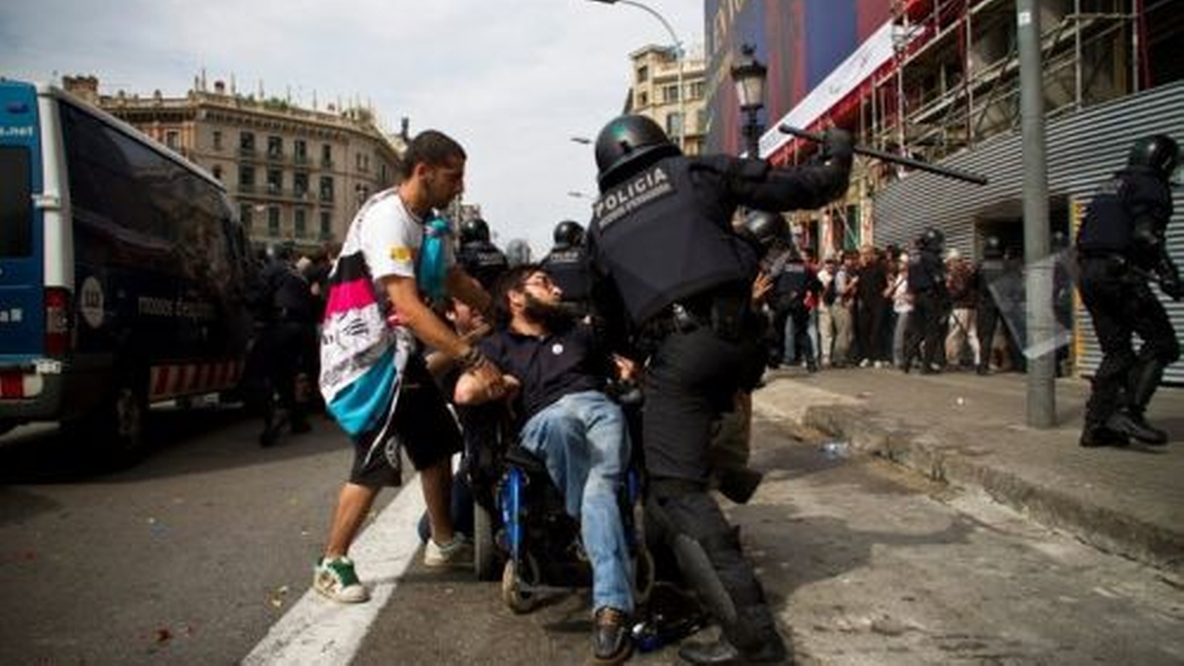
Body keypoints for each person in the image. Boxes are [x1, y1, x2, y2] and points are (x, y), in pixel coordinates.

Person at [586, 113, 852, 665]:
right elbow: (805, 187)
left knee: (673, 489)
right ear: (657, 144)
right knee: (679, 464)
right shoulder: (693, 171)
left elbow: (608, 320)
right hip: (746, 338)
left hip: (682, 351)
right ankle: (690, 575)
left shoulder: (600, 224)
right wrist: (836, 153)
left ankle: (755, 641)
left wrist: (636, 362)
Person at [313, 130, 504, 603]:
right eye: (453, 176)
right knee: (376, 457)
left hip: (397, 351)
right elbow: (410, 306)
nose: (461, 187)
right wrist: (473, 356)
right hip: (365, 357)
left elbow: (453, 277)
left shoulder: (428, 223)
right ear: (424, 172)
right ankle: (332, 561)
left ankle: (443, 541)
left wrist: (495, 305)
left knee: (437, 438)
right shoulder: (388, 220)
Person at [454, 264, 636, 665]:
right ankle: (602, 566)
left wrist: (625, 372)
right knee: (564, 426)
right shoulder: (498, 347)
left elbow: (621, 370)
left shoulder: (580, 335)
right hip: (546, 422)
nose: (556, 288)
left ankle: (611, 607)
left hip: (600, 412)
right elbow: (464, 393)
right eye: (543, 282)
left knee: (601, 486)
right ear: (515, 298)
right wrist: (498, 383)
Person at [1075, 133, 1183, 448]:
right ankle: (1129, 411)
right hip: (1120, 276)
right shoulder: (1151, 185)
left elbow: (1085, 235)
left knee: (1117, 353)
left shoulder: (1110, 185)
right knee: (1162, 343)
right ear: (1162, 162)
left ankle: (1096, 426)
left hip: (1091, 274)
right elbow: (1147, 234)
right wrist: (1169, 274)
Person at [257, 242, 320, 446]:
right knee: (296, 374)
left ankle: (278, 415)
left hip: (283, 326)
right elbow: (314, 301)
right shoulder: (298, 274)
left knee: (273, 372)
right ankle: (298, 419)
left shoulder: (272, 269)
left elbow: (260, 295)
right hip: (306, 329)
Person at [902, 228, 948, 374]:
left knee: (918, 331)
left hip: (917, 298)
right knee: (932, 332)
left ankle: (906, 363)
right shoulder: (932, 258)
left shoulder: (914, 258)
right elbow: (938, 280)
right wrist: (946, 297)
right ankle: (926, 366)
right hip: (930, 297)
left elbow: (910, 279)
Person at [540, 219, 594, 317]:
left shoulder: (546, 261)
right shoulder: (585, 256)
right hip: (585, 314)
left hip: (555, 314)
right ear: (577, 238)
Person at [457, 217, 510, 291]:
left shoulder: (466, 255)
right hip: (498, 298)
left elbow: (457, 279)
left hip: (475, 298)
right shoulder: (499, 254)